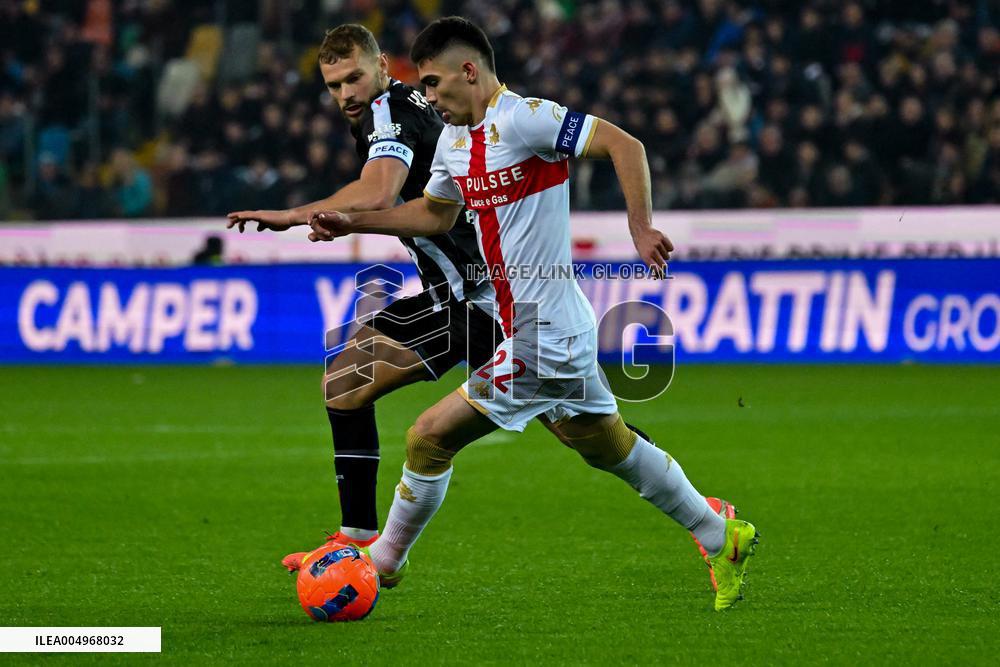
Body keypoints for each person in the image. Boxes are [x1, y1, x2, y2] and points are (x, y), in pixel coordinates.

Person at [308, 17, 758, 611]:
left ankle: (381, 564)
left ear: (470, 71)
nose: (430, 99)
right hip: (542, 328)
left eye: (437, 85)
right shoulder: (451, 141)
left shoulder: (526, 118)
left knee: (427, 438)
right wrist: (353, 221)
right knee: (607, 446)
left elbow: (626, 145)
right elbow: (433, 217)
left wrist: (640, 227)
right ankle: (719, 534)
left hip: (542, 336)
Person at [226, 25, 503, 565]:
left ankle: (360, 543)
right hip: (467, 294)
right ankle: (356, 538)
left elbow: (377, 190)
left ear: (382, 66)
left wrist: (290, 215)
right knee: (586, 429)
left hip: (476, 297)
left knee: (584, 427)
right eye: (333, 85)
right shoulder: (405, 108)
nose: (347, 93)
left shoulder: (388, 110)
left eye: (355, 77)